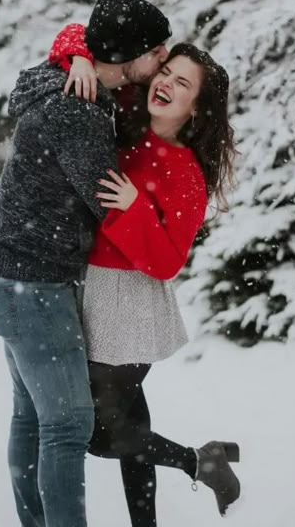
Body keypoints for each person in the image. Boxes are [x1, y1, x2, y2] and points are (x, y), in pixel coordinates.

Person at [0, 0, 172, 527]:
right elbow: (107, 203)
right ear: (129, 54)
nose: (163, 60)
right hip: (30, 280)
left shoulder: (68, 77)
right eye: (157, 51)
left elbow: (72, 35)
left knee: (34, 416)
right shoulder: (79, 111)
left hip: (9, 269)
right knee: (68, 423)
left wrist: (77, 51)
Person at [50, 29, 240, 524]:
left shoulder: (185, 173)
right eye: (166, 73)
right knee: (132, 423)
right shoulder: (127, 112)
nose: (167, 85)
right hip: (91, 287)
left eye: (183, 84)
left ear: (196, 109)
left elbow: (167, 261)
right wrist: (79, 60)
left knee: (101, 434)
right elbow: (76, 33)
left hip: (128, 302)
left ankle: (202, 461)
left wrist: (135, 208)